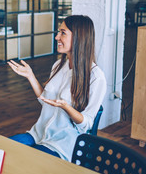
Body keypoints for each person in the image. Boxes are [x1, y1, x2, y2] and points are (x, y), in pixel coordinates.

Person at [7, 15, 106, 161]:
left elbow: (86, 124)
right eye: (58, 32)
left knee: (24, 161)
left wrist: (67, 107)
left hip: (62, 143)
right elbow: (46, 101)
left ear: (79, 37)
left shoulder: (96, 77)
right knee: (3, 149)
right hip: (38, 134)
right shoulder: (58, 65)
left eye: (63, 33)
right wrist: (30, 76)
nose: (57, 37)